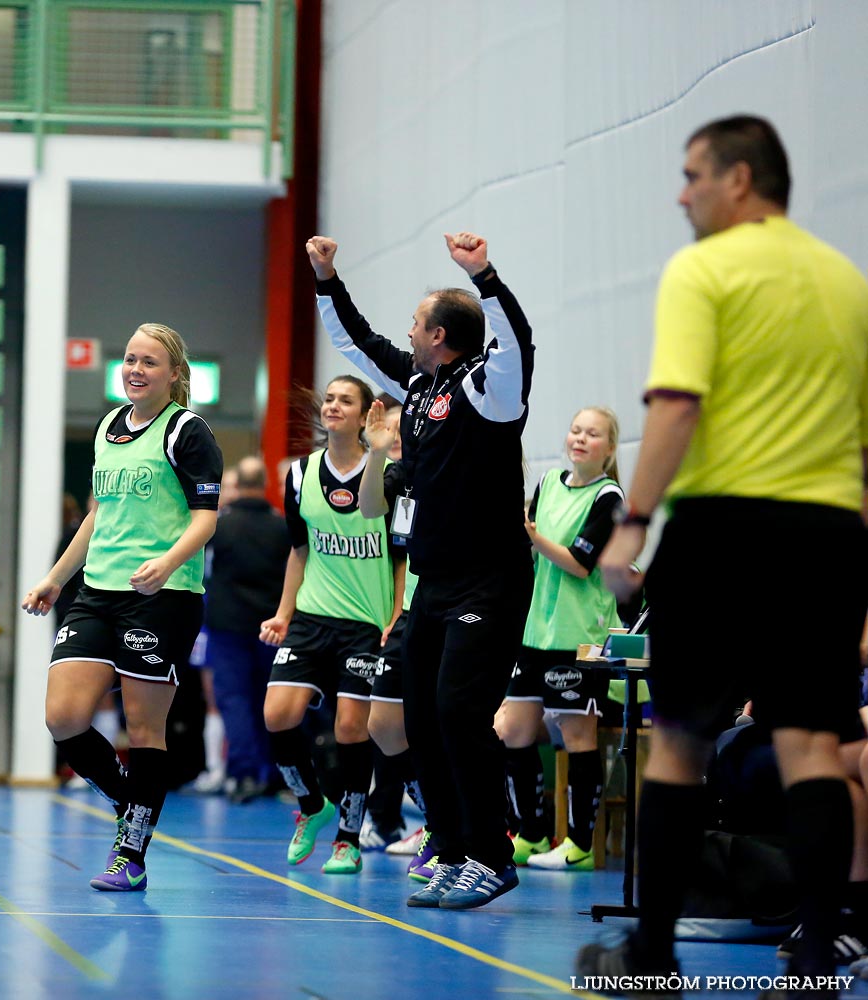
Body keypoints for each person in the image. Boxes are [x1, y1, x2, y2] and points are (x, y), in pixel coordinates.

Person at [576, 116, 868, 996]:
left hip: (725, 529)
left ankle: (652, 958)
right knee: (813, 746)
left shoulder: (704, 269)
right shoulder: (845, 280)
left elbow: (675, 407)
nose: (682, 192)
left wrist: (634, 524)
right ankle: (819, 956)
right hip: (824, 535)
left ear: (740, 179)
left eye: (692, 174)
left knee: (679, 745)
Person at [308, 230, 535, 910]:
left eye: (416, 322)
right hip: (433, 582)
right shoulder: (417, 384)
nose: (406, 331)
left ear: (440, 334)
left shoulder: (490, 391)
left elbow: (518, 343)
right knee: (424, 721)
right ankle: (453, 848)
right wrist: (326, 279)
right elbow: (356, 342)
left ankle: (493, 857)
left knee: (462, 713)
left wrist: (484, 276)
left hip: (488, 579)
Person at [22, 322, 222, 892]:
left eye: (149, 362)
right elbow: (97, 515)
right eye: (130, 359)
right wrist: (56, 579)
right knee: (63, 716)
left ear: (173, 374)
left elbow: (207, 517)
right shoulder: (109, 425)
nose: (136, 370)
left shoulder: (188, 431)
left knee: (143, 727)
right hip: (97, 594)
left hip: (161, 599)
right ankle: (132, 800)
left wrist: (166, 563)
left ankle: (130, 853)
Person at [259, 376, 395, 874]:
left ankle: (348, 838)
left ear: (365, 416)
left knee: (350, 729)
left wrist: (396, 613)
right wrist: (283, 612)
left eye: (347, 400)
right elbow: (300, 551)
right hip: (312, 617)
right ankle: (312, 806)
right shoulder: (298, 474)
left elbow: (399, 556)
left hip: (365, 622)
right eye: (330, 399)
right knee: (277, 715)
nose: (334, 405)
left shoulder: (388, 474)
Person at [496, 406, 625, 872]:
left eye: (593, 434)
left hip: (578, 637)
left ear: (609, 448)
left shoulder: (610, 498)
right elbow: (527, 552)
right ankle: (529, 833)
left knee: (576, 734)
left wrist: (531, 535)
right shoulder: (548, 484)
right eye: (575, 430)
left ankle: (579, 844)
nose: (580, 439)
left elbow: (578, 563)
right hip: (535, 631)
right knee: (512, 728)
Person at [358, 400, 432, 874]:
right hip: (410, 611)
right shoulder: (400, 473)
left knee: (441, 726)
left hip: (458, 609)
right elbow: (369, 509)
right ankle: (438, 819)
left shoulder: (455, 466)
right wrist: (376, 453)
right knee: (383, 725)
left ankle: (457, 834)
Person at [205, 456, 291, 804]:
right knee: (268, 701)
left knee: (234, 700)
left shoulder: (220, 527)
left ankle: (241, 775)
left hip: (227, 627)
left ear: (238, 484)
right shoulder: (281, 527)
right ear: (265, 484)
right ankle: (273, 773)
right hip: (270, 627)